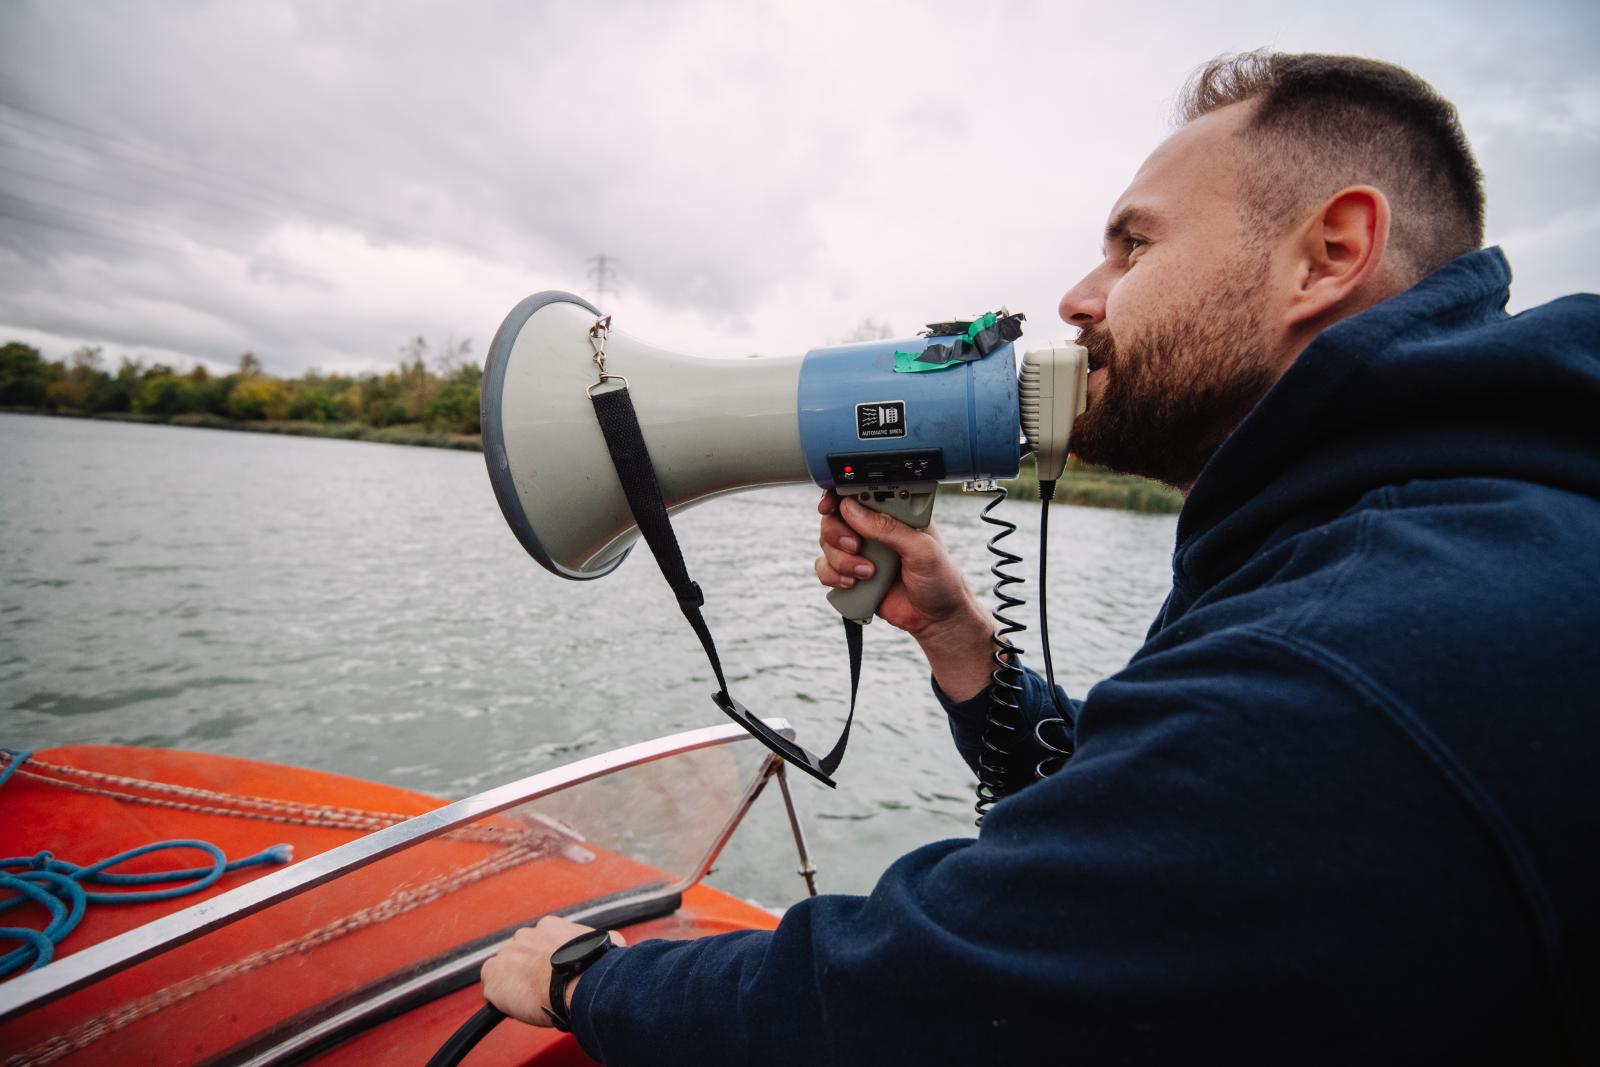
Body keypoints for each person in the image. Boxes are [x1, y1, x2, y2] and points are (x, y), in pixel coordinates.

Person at [482, 51, 1599, 1063]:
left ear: (1330, 253)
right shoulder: (1434, 542)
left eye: (1133, 243)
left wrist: (590, 979)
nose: (1076, 298)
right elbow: (1156, 840)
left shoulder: (1351, 652)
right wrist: (962, 644)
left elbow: (923, 999)